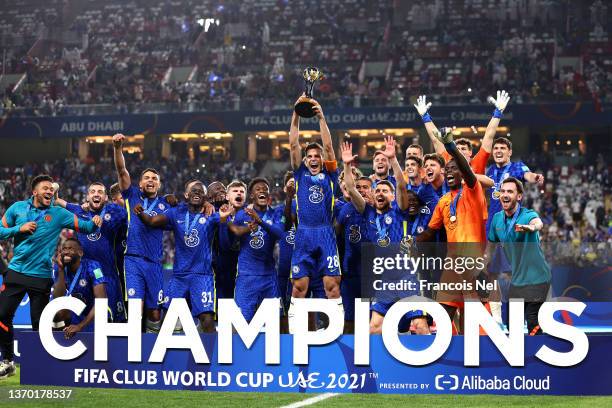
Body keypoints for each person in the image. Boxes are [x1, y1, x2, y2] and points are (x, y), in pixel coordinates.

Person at [0, 175, 101, 378]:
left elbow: (86, 227)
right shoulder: (17, 208)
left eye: (51, 189)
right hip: (16, 272)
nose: (49, 191)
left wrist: (95, 221)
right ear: (34, 191)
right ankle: (8, 361)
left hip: (41, 277)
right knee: (2, 316)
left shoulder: (58, 214)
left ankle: (40, 366)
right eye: (45, 188)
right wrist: (18, 228)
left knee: (39, 324)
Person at [341, 137, 430, 335]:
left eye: (385, 190)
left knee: (420, 325)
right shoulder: (368, 213)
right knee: (374, 327)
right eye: (377, 190)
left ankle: (431, 364)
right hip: (384, 279)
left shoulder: (400, 211)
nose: (380, 192)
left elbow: (400, 183)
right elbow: (351, 188)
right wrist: (347, 165)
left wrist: (393, 160)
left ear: (392, 196)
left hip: (407, 276)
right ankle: (376, 366)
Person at [418, 128, 489, 333]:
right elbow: (430, 231)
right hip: (451, 267)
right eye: (447, 169)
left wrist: (450, 147)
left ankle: (481, 360)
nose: (449, 172)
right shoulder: (443, 201)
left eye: (454, 169)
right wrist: (412, 242)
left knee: (475, 328)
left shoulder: (473, 191)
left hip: (473, 265)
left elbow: (468, 171)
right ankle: (443, 361)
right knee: (442, 320)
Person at [135, 180, 231, 332]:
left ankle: (212, 355)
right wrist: (141, 213)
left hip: (202, 275)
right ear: (186, 195)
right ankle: (166, 355)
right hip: (179, 276)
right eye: (194, 191)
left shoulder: (211, 214)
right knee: (167, 319)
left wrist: (225, 215)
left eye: (201, 192)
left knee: (207, 319)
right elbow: (152, 221)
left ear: (206, 197)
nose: (197, 193)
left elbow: (225, 212)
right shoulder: (175, 213)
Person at [287, 96, 343, 333]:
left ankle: (338, 334)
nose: (312, 159)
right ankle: (293, 336)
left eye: (315, 156)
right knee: (299, 287)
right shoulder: (299, 173)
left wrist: (321, 117)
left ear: (321, 159)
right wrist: (296, 112)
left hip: (326, 232)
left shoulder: (330, 174)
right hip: (303, 233)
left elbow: (329, 146)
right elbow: (292, 144)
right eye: (309, 156)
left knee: (332, 286)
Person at [112, 133, 172, 333]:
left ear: (159, 184)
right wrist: (118, 149)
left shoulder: (166, 205)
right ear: (140, 183)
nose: (150, 180)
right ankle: (134, 357)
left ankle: (151, 353)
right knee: (135, 308)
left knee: (155, 313)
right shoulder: (132, 196)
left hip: (155, 263)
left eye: (154, 178)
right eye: (146, 177)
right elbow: (122, 171)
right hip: (133, 260)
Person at [55, 182, 127, 322]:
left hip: (108, 277)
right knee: (82, 321)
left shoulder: (114, 211)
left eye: (100, 192)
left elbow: (130, 212)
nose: (96, 194)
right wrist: (56, 188)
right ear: (87, 196)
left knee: (115, 323)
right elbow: (57, 201)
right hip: (84, 278)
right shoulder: (79, 211)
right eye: (92, 191)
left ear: (106, 197)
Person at [487, 177, 551, 335]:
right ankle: (520, 358)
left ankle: (537, 357)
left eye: (510, 191)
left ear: (519, 196)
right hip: (517, 280)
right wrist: (484, 261)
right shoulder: (496, 219)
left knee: (533, 321)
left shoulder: (527, 215)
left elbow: (539, 223)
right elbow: (491, 243)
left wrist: (531, 228)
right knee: (512, 325)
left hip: (537, 278)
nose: (505, 194)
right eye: (502, 191)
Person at [226, 178, 285, 322]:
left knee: (278, 321)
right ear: (252, 196)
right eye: (258, 189)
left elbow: (280, 234)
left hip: (269, 276)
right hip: (247, 276)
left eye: (265, 189)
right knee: (241, 322)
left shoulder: (276, 213)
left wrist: (260, 221)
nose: (262, 191)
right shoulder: (242, 214)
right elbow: (234, 235)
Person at [486, 137, 544, 232]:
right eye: (496, 148)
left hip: (511, 222)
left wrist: (535, 177)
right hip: (492, 223)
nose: (498, 151)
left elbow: (528, 175)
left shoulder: (517, 167)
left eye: (502, 148)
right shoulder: (490, 170)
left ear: (510, 152)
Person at [52, 238, 108, 338]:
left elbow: (102, 300)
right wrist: (60, 270)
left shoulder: (94, 267)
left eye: (70, 248)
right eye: (64, 249)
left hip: (92, 316)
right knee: (56, 313)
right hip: (73, 314)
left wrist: (80, 326)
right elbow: (57, 299)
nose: (66, 252)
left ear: (80, 253)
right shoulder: (59, 267)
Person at [336, 173, 371, 333]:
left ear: (372, 190)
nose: (362, 190)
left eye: (366, 187)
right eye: (358, 188)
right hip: (350, 272)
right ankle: (348, 355)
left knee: (371, 319)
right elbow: (338, 238)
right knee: (348, 318)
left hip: (372, 273)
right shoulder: (345, 210)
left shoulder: (377, 209)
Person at [216, 180, 247, 300]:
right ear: (227, 196)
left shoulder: (251, 214)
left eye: (242, 191)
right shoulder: (216, 212)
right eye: (235, 191)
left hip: (246, 270)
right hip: (223, 270)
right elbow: (224, 245)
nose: (239, 193)